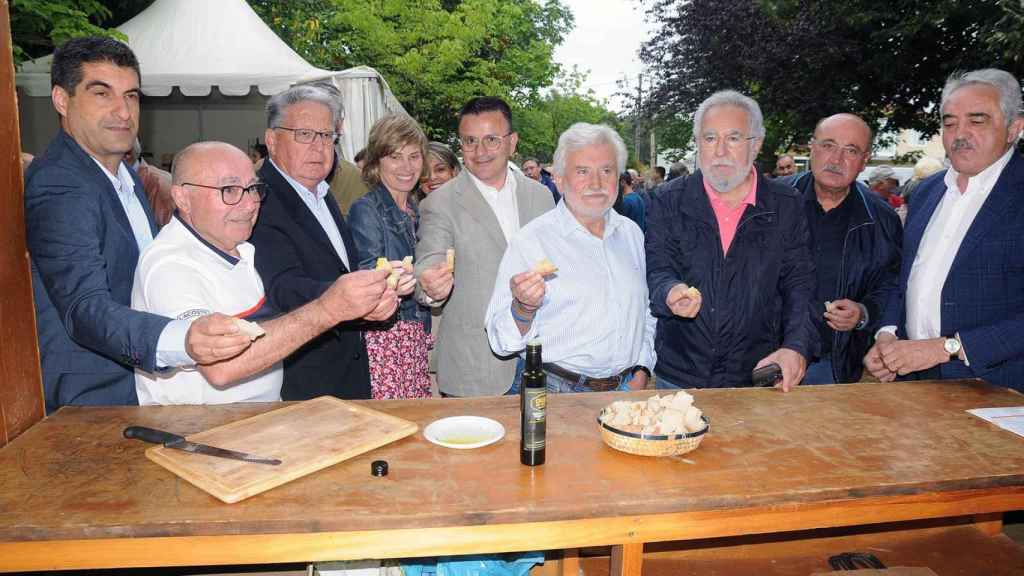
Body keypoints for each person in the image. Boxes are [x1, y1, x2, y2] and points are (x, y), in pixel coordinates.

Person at [24, 36, 252, 414]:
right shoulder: (60, 183)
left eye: (131, 96)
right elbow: (85, 307)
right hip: (96, 403)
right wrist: (185, 339)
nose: (123, 112)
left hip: (142, 393)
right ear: (61, 100)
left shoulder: (124, 177)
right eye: (102, 94)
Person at [133, 142, 396, 405]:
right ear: (182, 198)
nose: (249, 205)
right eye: (230, 190)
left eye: (253, 189)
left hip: (255, 422)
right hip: (201, 435)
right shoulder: (169, 265)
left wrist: (358, 305)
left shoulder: (239, 249)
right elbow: (220, 366)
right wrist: (329, 309)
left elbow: (281, 316)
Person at [864, 68, 1024, 392]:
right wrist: (887, 336)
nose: (959, 133)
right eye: (950, 122)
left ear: (1014, 128)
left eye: (977, 120)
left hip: (1001, 391)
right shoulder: (927, 192)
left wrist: (947, 348)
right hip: (916, 387)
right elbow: (904, 275)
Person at [646, 90, 816, 391]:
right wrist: (670, 291)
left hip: (757, 374)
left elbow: (799, 285)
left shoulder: (786, 204)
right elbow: (658, 268)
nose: (720, 151)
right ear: (698, 143)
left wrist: (797, 346)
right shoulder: (668, 199)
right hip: (680, 374)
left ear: (757, 144)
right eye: (710, 138)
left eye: (734, 138)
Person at [250, 84, 398, 400]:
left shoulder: (320, 193)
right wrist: (354, 299)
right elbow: (281, 288)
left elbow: (339, 269)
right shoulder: (258, 201)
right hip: (303, 381)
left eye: (327, 136)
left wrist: (379, 284)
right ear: (272, 140)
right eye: (304, 134)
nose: (319, 147)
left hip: (344, 374)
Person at [486, 123, 655, 393]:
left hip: (625, 391)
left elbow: (644, 311)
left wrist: (643, 368)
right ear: (560, 178)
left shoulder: (631, 234)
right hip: (554, 392)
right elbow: (500, 341)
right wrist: (523, 308)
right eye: (583, 171)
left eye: (607, 171)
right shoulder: (531, 241)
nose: (597, 183)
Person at [415, 96, 555, 397]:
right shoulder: (439, 203)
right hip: (475, 367)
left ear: (512, 142)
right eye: (469, 141)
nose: (480, 152)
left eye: (491, 139)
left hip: (542, 361)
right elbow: (430, 259)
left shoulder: (542, 197)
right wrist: (429, 286)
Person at [781, 114, 902, 383]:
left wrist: (863, 312)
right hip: (766, 356)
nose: (836, 160)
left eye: (851, 150)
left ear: (864, 160)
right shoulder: (771, 202)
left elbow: (890, 285)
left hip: (831, 364)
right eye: (828, 145)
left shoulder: (882, 219)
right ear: (811, 147)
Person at [348, 115, 433, 399]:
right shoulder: (367, 209)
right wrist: (391, 282)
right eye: (395, 157)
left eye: (414, 156)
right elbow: (365, 280)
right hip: (385, 340)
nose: (407, 167)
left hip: (414, 335)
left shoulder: (415, 207)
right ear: (377, 161)